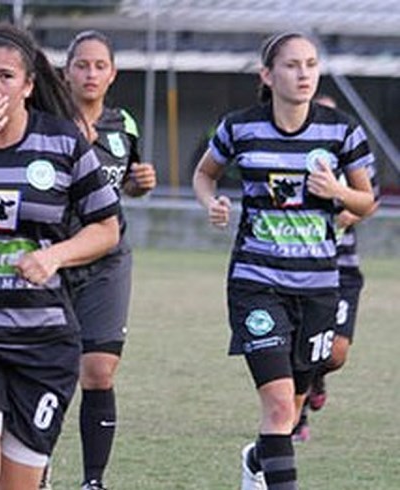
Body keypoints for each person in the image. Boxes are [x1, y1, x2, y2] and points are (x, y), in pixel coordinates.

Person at [0, 23, 121, 489]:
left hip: (43, 343)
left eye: (6, 77)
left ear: (29, 86)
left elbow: (107, 228)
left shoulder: (62, 142)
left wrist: (56, 257)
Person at [192, 32, 376, 489]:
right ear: (268, 75)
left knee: (290, 410)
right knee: (276, 407)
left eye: (311, 64)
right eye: (292, 65)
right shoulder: (240, 127)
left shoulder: (342, 129)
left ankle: (258, 458)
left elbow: (367, 200)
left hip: (316, 287)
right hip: (256, 283)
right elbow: (204, 173)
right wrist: (210, 202)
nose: (303, 74)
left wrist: (337, 193)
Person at [53, 30, 157, 490]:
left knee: (97, 371)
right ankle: (36, 468)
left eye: (99, 66)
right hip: (51, 258)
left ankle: (93, 481)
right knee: (50, 369)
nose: (90, 73)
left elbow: (123, 186)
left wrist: (140, 183)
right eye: (82, 65)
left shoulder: (124, 124)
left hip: (108, 261)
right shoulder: (46, 121)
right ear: (66, 72)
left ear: (112, 74)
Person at [292, 93, 380, 442]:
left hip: (341, 268)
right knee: (297, 346)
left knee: (337, 353)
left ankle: (317, 377)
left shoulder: (349, 152)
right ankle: (296, 419)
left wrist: (349, 207)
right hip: (299, 266)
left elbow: (369, 198)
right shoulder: (290, 153)